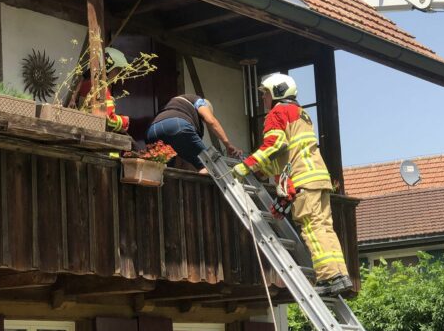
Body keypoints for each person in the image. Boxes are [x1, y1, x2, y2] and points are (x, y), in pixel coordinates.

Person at [231, 73, 352, 296]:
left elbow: (274, 145)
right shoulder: (302, 114)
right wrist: (260, 169)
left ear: (277, 92)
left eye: (265, 93)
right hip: (318, 178)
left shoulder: (277, 113)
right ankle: (340, 275)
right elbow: (285, 157)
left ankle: (328, 277)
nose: (263, 99)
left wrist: (246, 166)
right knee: (324, 227)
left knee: (312, 228)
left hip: (303, 180)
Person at [146, 94, 241, 173]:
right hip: (177, 126)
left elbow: (185, 154)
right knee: (207, 165)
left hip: (152, 130)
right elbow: (211, 120)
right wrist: (228, 145)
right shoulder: (199, 101)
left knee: (161, 169)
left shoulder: (177, 103)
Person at [72, 47, 131, 133]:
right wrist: (123, 121)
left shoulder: (86, 83)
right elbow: (108, 120)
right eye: (118, 70)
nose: (118, 75)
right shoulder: (101, 89)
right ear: (109, 67)